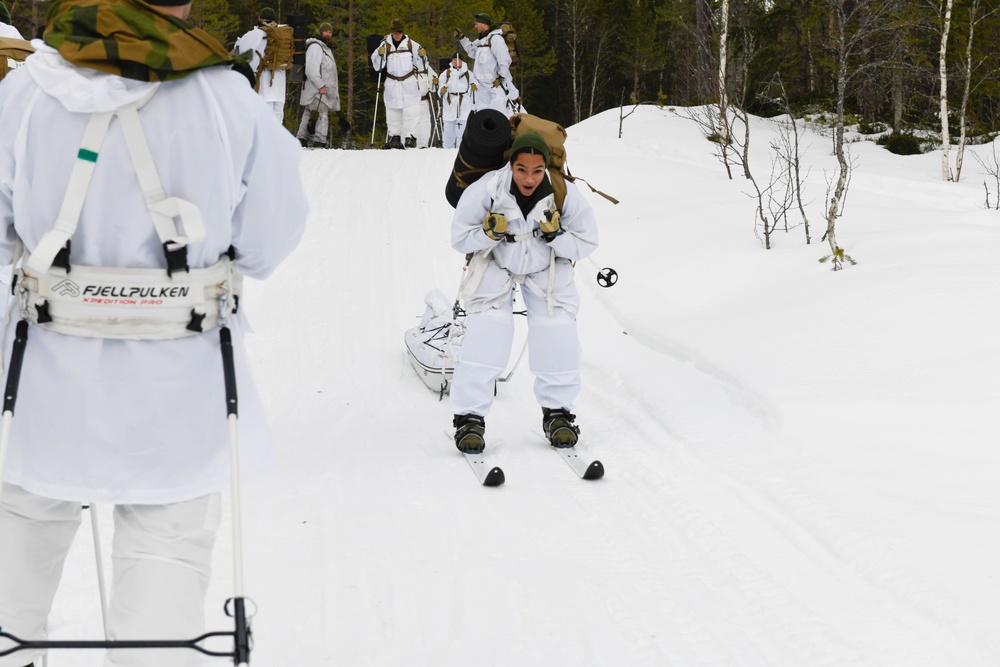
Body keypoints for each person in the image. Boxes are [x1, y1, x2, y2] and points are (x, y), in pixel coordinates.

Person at [0, 0, 308, 663]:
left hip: (43, 388)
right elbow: (268, 242)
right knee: (161, 594)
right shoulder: (227, 99)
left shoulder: (26, 90)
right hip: (178, 397)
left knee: (11, 584)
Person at [449, 131, 598, 453]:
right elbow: (460, 238)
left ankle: (558, 412)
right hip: (496, 263)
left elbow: (587, 242)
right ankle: (469, 418)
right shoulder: (487, 189)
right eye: (521, 169)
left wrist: (557, 235)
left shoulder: (563, 193)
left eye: (537, 170)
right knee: (489, 331)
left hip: (547, 266)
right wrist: (487, 234)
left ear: (546, 167)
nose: (529, 178)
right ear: (511, 165)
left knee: (557, 332)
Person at [370, 18, 427, 149]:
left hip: (409, 81)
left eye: (399, 32)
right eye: (395, 33)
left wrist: (423, 56)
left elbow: (422, 64)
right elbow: (376, 65)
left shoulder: (412, 45)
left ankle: (410, 136)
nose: (397, 35)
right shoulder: (384, 45)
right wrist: (379, 54)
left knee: (411, 110)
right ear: (391, 32)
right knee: (392, 109)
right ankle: (394, 136)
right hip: (392, 82)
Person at [456, 13, 518, 117]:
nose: (475, 26)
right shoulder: (482, 40)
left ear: (483, 24)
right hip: (482, 86)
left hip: (495, 85)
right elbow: (471, 51)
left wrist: (501, 77)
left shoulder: (496, 39)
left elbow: (504, 60)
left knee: (500, 113)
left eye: (477, 24)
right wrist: (462, 39)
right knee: (483, 114)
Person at [234, 7, 287, 123]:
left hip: (262, 87)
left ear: (260, 18)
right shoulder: (283, 34)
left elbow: (239, 52)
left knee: (262, 124)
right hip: (279, 88)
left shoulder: (254, 34)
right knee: (277, 126)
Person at [296, 21, 341, 148]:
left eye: (330, 32)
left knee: (309, 113)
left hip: (315, 89)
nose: (328, 34)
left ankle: (301, 139)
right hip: (316, 89)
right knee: (321, 114)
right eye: (326, 31)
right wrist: (321, 85)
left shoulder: (323, 47)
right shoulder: (316, 47)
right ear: (320, 32)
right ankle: (319, 141)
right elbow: (311, 69)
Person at [438, 51, 479, 149]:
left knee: (463, 130)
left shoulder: (468, 73)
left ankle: (462, 150)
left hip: (464, 103)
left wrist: (473, 87)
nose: (456, 62)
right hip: (450, 103)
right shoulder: (446, 73)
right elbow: (440, 87)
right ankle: (447, 150)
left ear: (462, 61)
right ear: (452, 61)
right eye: (454, 60)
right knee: (448, 130)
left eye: (458, 60)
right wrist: (442, 90)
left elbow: (475, 87)